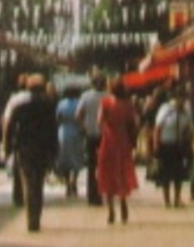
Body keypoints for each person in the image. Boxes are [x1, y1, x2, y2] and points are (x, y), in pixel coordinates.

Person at [5, 73, 58, 232]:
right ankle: (37, 216)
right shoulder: (49, 106)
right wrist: (54, 150)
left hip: (25, 148)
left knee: (28, 182)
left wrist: (8, 147)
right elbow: (53, 130)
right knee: (39, 183)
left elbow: (10, 128)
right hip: (43, 148)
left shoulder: (20, 107)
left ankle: (30, 217)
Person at [96, 77, 140, 225]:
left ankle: (110, 209)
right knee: (121, 171)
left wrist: (106, 129)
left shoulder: (105, 102)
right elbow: (134, 123)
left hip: (108, 140)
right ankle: (122, 201)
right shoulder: (128, 104)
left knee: (107, 172)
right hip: (123, 140)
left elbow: (99, 121)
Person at [152, 84, 194, 208]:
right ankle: (167, 200)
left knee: (178, 174)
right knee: (165, 174)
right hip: (165, 144)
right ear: (174, 98)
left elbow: (188, 127)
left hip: (179, 144)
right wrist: (156, 147)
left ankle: (177, 198)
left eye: (183, 98)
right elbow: (158, 128)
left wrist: (187, 140)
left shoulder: (186, 111)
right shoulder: (165, 109)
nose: (181, 101)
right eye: (179, 98)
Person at [1, 73, 32, 208]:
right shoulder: (38, 98)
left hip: (20, 137)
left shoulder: (14, 99)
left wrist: (4, 141)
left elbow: (7, 121)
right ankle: (32, 194)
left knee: (19, 166)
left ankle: (18, 196)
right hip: (35, 137)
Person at [76, 72, 106, 206]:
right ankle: (100, 193)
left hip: (90, 135)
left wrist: (84, 127)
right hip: (104, 135)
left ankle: (91, 194)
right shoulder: (108, 97)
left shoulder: (85, 96)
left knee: (91, 166)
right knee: (102, 166)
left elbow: (78, 115)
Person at [54, 84, 86, 198]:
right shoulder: (79, 102)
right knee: (77, 157)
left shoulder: (61, 103)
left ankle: (67, 183)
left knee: (64, 158)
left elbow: (57, 117)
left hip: (63, 131)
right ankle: (74, 181)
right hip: (76, 131)